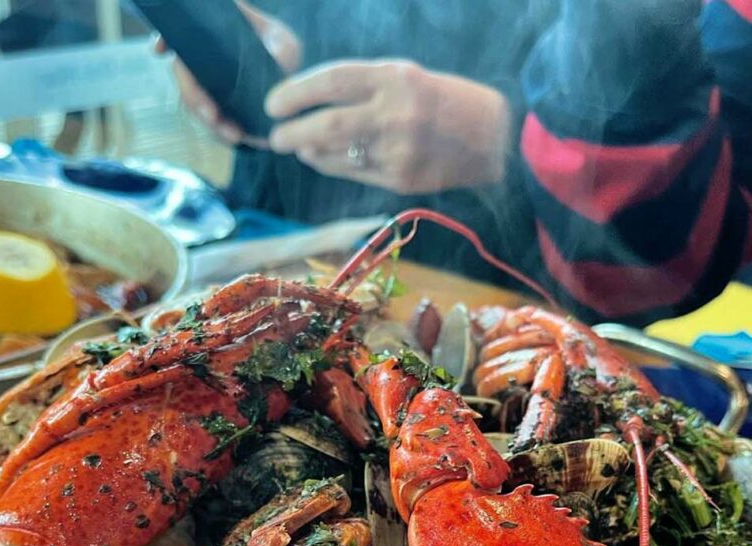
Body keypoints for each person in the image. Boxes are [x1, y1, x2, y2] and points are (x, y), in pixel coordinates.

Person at [170, 0, 752, 325]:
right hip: (274, 232)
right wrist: (231, 51)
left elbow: (673, 261)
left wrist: (499, 138)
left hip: (517, 310)